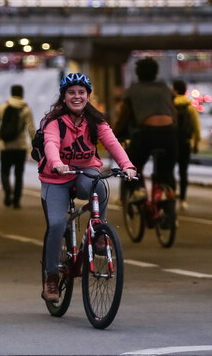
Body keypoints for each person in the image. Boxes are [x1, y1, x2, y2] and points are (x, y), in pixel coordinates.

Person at [39, 73, 136, 302]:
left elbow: (112, 143)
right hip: (56, 177)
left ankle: (98, 233)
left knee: (99, 185)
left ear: (88, 96)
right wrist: (57, 163)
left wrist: (127, 166)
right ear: (64, 97)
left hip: (84, 172)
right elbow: (50, 143)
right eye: (71, 92)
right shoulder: (54, 121)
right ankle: (51, 277)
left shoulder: (95, 121)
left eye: (81, 92)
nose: (77, 96)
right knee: (57, 224)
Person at [113, 57, 178, 204]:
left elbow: (123, 118)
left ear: (138, 73)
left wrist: (113, 136)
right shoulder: (165, 89)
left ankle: (138, 189)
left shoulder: (133, 90)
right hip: (169, 134)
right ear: (156, 73)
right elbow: (174, 114)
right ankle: (165, 192)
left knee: (130, 163)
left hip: (147, 134)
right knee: (166, 169)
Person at [0, 84, 36, 208]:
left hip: (5, 147)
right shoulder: (26, 109)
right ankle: (16, 201)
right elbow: (31, 129)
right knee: (19, 174)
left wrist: (2, 136)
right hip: (20, 147)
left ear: (11, 94)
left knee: (4, 172)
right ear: (22, 94)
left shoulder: (2, 107)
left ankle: (7, 191)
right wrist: (35, 145)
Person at [172, 79, 201, 211]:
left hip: (171, 143)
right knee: (183, 172)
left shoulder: (170, 104)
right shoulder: (190, 106)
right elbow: (196, 127)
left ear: (175, 90)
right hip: (185, 143)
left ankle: (170, 196)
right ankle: (183, 199)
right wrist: (196, 143)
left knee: (169, 171)